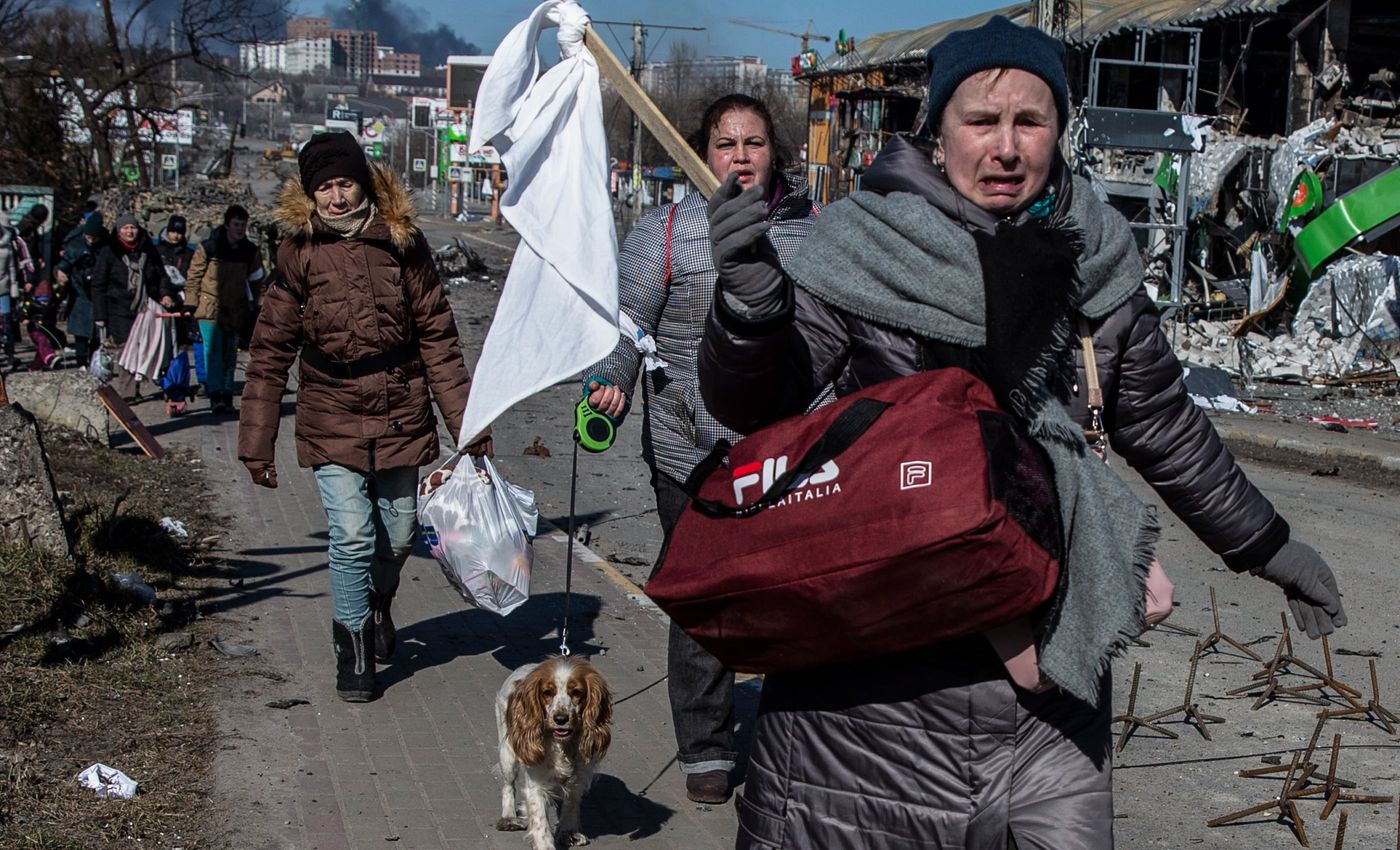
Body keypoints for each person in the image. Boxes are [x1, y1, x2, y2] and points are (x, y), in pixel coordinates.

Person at [697, 17, 1347, 848]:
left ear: (1059, 130)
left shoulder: (1098, 261)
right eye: (981, 121)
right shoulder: (857, 249)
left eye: (1029, 121)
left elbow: (1163, 424)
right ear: (937, 133)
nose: (1005, 147)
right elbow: (760, 410)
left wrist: (1270, 549)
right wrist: (752, 309)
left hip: (1050, 684)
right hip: (873, 695)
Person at [582, 94, 820, 805]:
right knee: (703, 589)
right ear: (702, 151)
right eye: (725, 143)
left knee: (788, 595)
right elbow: (626, 321)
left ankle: (789, 735)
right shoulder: (664, 230)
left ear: (775, 152)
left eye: (753, 143)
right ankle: (707, 745)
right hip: (689, 442)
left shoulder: (814, 233)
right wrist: (610, 381)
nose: (740, 156)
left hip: (786, 443)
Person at [238, 131, 491, 703]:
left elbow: (439, 340)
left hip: (401, 409)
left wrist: (467, 426)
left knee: (400, 535)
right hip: (329, 411)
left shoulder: (403, 243)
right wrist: (257, 444)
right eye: (324, 188)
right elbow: (270, 350)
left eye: (344, 183)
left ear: (364, 183)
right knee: (352, 535)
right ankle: (352, 647)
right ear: (310, 195)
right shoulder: (297, 252)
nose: (336, 197)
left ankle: (374, 605)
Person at [186, 206, 264, 413]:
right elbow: (193, 277)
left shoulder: (249, 251)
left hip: (235, 309)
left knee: (230, 354)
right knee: (213, 352)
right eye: (236, 225)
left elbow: (257, 280)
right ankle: (216, 395)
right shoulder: (209, 248)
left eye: (243, 225)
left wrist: (259, 305)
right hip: (210, 307)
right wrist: (190, 303)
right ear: (227, 224)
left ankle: (227, 394)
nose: (240, 229)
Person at [90, 214, 176, 400]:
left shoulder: (148, 250)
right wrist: (100, 314)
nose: (129, 232)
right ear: (118, 230)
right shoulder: (109, 252)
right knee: (126, 348)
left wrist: (165, 294)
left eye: (133, 228)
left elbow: (161, 275)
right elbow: (98, 284)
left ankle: (143, 382)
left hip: (146, 307)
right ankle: (128, 391)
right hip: (118, 308)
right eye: (125, 228)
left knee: (143, 347)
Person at [55, 213, 106, 368]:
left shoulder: (106, 244)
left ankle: (95, 361)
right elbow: (65, 264)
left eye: (94, 238)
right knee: (81, 331)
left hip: (99, 290)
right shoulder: (75, 245)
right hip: (79, 290)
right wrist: (61, 273)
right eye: (89, 237)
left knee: (98, 332)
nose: (91, 241)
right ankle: (81, 363)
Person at [0, 211, 34, 370]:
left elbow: (13, 268)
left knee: (7, 322)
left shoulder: (9, 245)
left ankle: (10, 354)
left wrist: (15, 285)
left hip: (4, 288)